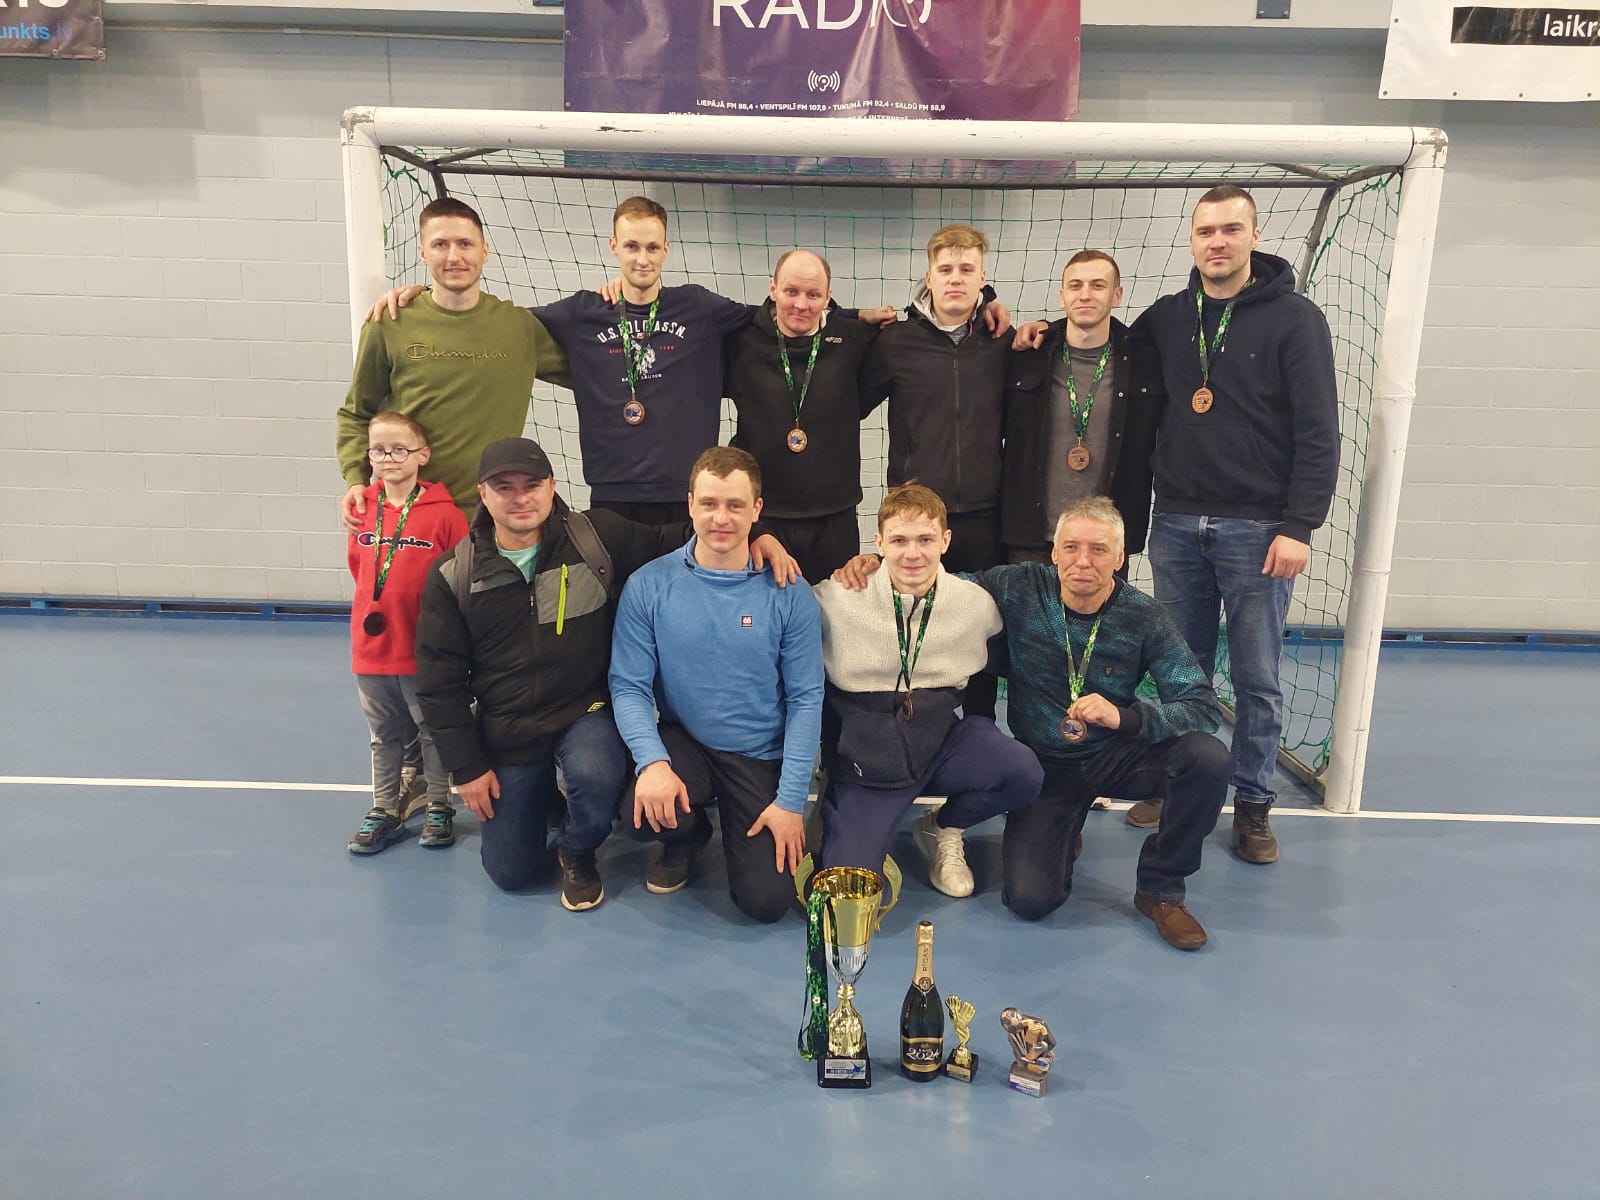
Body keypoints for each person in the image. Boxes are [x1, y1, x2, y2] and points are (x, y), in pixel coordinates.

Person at [413, 438, 800, 911]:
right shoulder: (454, 574)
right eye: (504, 487)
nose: (520, 498)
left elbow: (693, 534)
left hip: (584, 713)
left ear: (552, 486)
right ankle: (547, 805)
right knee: (511, 874)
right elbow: (438, 684)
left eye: (531, 485)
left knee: (599, 777)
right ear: (483, 494)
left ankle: (578, 849)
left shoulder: (593, 537)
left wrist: (762, 536)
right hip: (508, 726)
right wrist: (468, 767)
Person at [371, 199, 897, 525]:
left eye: (651, 247)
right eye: (631, 247)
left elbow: (779, 315)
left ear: (666, 249)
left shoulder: (700, 307)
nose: (641, 258)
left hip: (687, 495)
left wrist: (848, 315)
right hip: (612, 496)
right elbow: (495, 320)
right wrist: (427, 295)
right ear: (614, 247)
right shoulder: (582, 311)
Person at [1127, 186, 1340, 864]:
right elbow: (1099, 343)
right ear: (1192, 241)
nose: (1217, 242)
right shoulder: (1168, 317)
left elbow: (1319, 431)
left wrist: (1300, 526)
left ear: (1254, 236)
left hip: (1260, 530)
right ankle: (1177, 784)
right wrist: (1026, 328)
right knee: (1177, 672)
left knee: (1256, 676)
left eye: (1230, 229)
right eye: (1205, 231)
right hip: (1176, 523)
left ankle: (1252, 802)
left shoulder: (1296, 320)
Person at [976, 497, 1229, 950]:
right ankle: (1064, 829)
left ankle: (1161, 889)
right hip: (1044, 766)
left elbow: (1202, 706)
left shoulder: (1143, 615)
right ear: (1054, 552)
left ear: (1119, 557)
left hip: (1116, 754)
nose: (1083, 561)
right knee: (1029, 901)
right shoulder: (1019, 587)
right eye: (1071, 547)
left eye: (1098, 549)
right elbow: (941, 586)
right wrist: (875, 566)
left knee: (1207, 759)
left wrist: (1126, 717)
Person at [608, 447, 823, 923]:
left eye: (735, 505)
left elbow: (807, 700)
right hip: (687, 742)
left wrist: (790, 802)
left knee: (766, 903)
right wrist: (652, 762)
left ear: (757, 510)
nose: (721, 518)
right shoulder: (648, 586)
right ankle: (687, 836)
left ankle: (747, 822)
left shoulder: (790, 593)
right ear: (690, 504)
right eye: (709, 503)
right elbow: (628, 686)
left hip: (758, 755)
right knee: (636, 812)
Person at [812, 484, 1042, 897]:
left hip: (940, 747)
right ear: (878, 542)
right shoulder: (836, 599)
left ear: (945, 541)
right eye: (899, 540)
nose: (912, 554)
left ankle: (942, 826)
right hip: (868, 769)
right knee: (852, 891)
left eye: (925, 540)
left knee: (1022, 772)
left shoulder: (975, 605)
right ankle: (837, 810)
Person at [336, 197, 570, 531]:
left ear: (484, 251)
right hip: (412, 515)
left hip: (492, 520)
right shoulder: (389, 322)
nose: (453, 256)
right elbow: (357, 413)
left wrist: (625, 300)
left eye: (465, 244)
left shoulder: (519, 327)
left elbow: (595, 372)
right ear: (423, 253)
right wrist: (356, 479)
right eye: (440, 245)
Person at [866, 223, 1015, 717]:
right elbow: (846, 399)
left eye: (966, 269)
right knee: (910, 625)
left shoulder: (1002, 341)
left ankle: (979, 726)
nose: (955, 278)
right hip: (916, 520)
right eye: (945, 269)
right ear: (928, 277)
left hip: (984, 515)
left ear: (982, 278)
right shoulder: (895, 342)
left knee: (979, 626)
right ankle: (914, 722)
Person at [722, 249, 894, 583]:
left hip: (835, 517)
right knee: (765, 611)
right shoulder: (740, 340)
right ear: (773, 289)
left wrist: (987, 304)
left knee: (832, 611)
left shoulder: (855, 339)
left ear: (828, 297)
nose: (801, 304)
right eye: (791, 291)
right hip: (763, 518)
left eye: (813, 295)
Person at [345, 411, 468, 855]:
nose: (389, 458)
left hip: (423, 647)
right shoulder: (361, 510)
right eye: (379, 450)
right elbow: (358, 568)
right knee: (384, 734)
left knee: (431, 729)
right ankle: (384, 808)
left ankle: (438, 805)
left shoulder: (446, 516)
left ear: (423, 455)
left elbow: (459, 578)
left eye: (400, 449)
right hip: (372, 648)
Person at [1002, 250, 1161, 565]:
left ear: (1117, 295)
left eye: (1098, 285)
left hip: (1104, 541)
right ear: (1062, 296)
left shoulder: (1144, 361)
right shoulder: (1028, 355)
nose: (1085, 294)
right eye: (1075, 286)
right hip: (1031, 538)